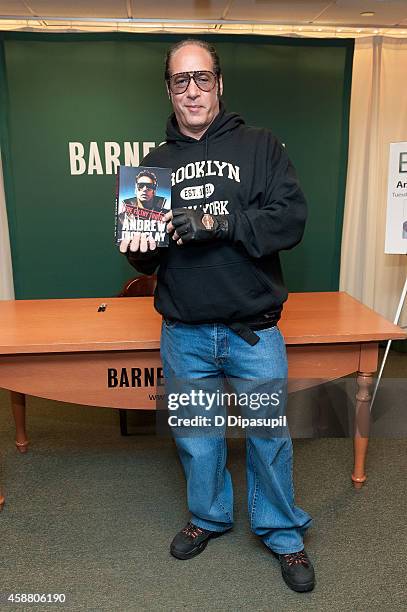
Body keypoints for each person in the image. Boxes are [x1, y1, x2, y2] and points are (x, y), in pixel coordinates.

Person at [120, 39, 315, 593]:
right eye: (181, 81)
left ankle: (283, 533)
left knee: (269, 436)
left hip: (253, 331)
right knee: (197, 437)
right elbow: (146, 256)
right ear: (169, 90)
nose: (193, 91)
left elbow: (290, 220)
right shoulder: (152, 166)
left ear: (219, 83)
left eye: (201, 78)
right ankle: (208, 517)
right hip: (184, 333)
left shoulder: (261, 146)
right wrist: (139, 242)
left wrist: (222, 222)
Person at [118, 170, 167, 238]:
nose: (144, 189)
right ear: (135, 190)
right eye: (140, 185)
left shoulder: (165, 216)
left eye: (149, 186)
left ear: (154, 191)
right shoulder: (121, 218)